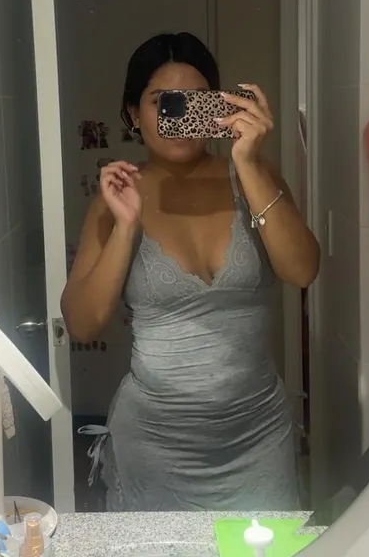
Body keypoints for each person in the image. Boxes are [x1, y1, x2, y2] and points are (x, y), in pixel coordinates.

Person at [60, 32, 321, 511]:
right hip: (154, 447)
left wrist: (248, 163)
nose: (180, 117)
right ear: (132, 114)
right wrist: (126, 227)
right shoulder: (116, 197)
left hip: (259, 437)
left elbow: (303, 270)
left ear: (219, 106)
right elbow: (82, 322)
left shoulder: (255, 175)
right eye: (163, 102)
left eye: (195, 101)